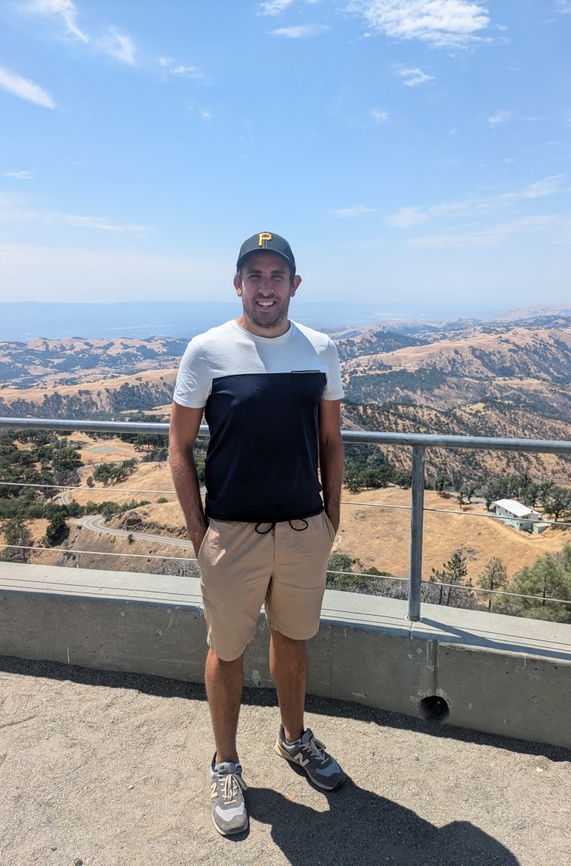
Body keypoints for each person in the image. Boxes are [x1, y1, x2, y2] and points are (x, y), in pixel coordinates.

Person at [169, 231, 345, 836]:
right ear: (237, 283)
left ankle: (294, 740)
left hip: (303, 532)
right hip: (231, 535)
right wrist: (199, 532)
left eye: (277, 275)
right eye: (254, 275)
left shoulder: (320, 349)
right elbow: (180, 448)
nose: (265, 286)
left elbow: (330, 442)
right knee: (227, 650)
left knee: (293, 640)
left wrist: (332, 520)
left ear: (295, 284)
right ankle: (225, 763)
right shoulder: (207, 350)